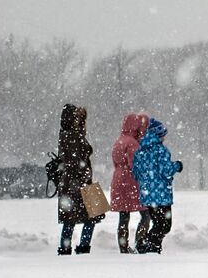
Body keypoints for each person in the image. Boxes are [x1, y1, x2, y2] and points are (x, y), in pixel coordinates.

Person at [53, 104, 102, 255]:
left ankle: (66, 249)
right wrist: (85, 176)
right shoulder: (73, 137)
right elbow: (75, 164)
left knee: (71, 219)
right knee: (91, 216)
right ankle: (82, 248)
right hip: (78, 184)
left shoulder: (66, 135)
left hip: (71, 184)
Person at [132, 118, 183, 253]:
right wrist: (177, 166)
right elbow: (166, 171)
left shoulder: (140, 151)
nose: (164, 138)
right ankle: (148, 246)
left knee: (157, 223)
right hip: (161, 196)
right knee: (165, 225)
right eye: (163, 135)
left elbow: (136, 173)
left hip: (148, 195)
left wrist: (146, 184)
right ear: (159, 135)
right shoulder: (161, 151)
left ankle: (150, 247)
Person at [110, 113, 151, 253]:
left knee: (124, 215)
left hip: (118, 178)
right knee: (145, 213)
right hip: (131, 180)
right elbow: (136, 164)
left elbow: (115, 163)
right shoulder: (133, 143)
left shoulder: (119, 141)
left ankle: (123, 246)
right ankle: (140, 241)